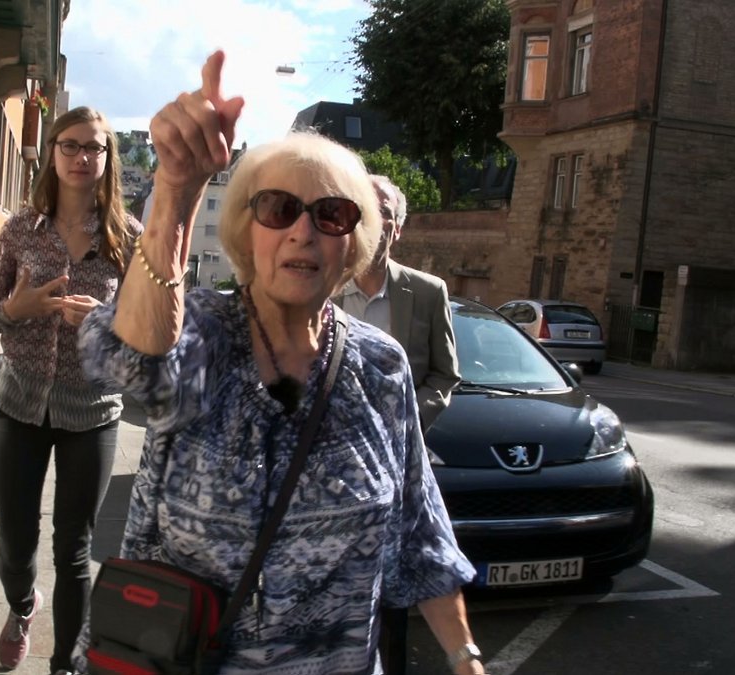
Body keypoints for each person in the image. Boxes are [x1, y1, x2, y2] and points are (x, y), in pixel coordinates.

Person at [75, 51, 486, 675]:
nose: (303, 232)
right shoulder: (206, 333)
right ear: (247, 232)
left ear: (355, 242)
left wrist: (465, 657)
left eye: (331, 214)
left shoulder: (382, 367)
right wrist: (176, 191)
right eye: (278, 210)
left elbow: (421, 536)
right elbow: (132, 358)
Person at [0, 105, 141, 674]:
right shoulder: (21, 228)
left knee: (74, 549)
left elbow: (149, 337)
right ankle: (22, 605)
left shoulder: (128, 239)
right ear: (51, 152)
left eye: (93, 147)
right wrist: (16, 309)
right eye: (69, 145)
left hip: (91, 411)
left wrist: (102, 326)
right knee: (15, 544)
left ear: (107, 158)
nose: (80, 157)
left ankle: (66, 665)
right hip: (18, 402)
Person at [334, 175, 460, 432]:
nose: (373, 220)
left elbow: (444, 375)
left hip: (398, 443)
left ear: (398, 229)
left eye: (383, 211)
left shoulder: (428, 292)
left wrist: (411, 421)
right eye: (364, 208)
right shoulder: (323, 289)